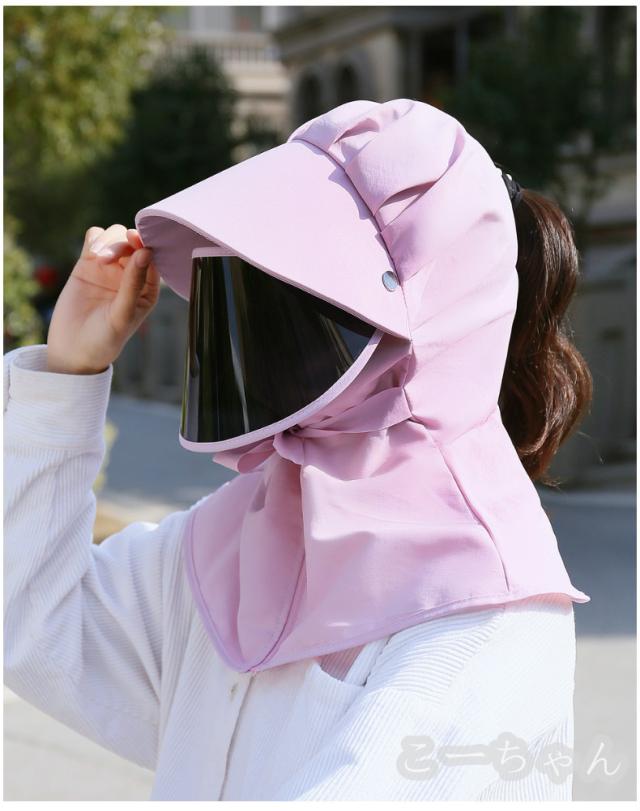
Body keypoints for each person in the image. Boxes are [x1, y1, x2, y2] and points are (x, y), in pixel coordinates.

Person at [4, 99, 592, 800]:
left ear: (423, 322)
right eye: (250, 276)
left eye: (298, 281)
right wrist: (67, 375)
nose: (262, 318)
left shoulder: (486, 621)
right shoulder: (235, 544)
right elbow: (33, 620)